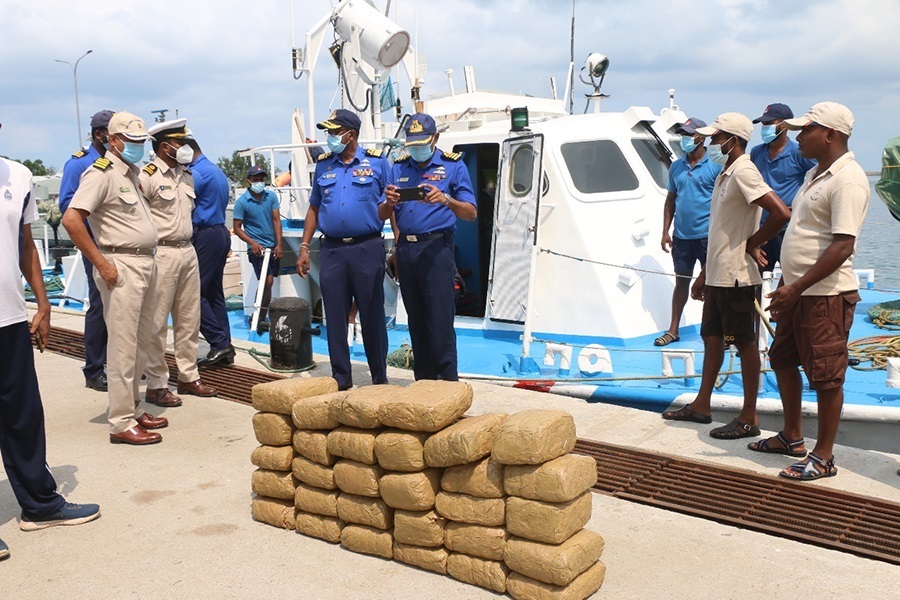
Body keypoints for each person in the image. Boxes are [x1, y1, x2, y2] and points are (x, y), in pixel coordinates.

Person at [750, 102, 869, 480]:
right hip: (799, 292)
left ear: (830, 134)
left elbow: (842, 246)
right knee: (783, 358)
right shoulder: (815, 174)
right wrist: (788, 286)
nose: (799, 137)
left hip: (825, 296)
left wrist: (797, 286)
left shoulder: (847, 179)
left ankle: (824, 456)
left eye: (807, 130)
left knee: (826, 375)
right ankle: (791, 436)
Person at [0, 147, 101, 561]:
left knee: (23, 415)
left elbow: (26, 244)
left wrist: (42, 304)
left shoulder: (19, 177)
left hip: (9, 317)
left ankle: (40, 505)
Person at [661, 113, 790, 439]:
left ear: (732, 140)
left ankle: (749, 417)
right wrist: (706, 273)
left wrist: (753, 242)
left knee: (745, 344)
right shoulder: (725, 173)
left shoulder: (744, 170)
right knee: (712, 337)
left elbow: (780, 212)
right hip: (719, 274)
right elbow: (721, 230)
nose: (713, 143)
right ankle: (702, 405)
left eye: (717, 138)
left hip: (737, 278)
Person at [62, 112, 167, 445]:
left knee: (140, 342)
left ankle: (133, 408)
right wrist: (102, 263)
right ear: (114, 141)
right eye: (134, 142)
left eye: (142, 142)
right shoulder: (101, 173)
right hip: (121, 264)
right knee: (122, 346)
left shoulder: (130, 173)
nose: (139, 148)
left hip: (143, 263)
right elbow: (72, 220)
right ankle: (121, 422)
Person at [296, 109, 389, 391]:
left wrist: (397, 243)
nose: (331, 138)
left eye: (335, 132)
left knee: (372, 315)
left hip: (368, 248)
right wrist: (303, 247)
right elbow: (314, 206)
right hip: (333, 251)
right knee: (334, 317)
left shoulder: (378, 164)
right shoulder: (324, 166)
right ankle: (341, 379)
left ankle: (379, 379)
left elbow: (390, 208)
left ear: (351, 134)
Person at [381, 113, 477, 381]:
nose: (417, 149)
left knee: (441, 322)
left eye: (422, 142)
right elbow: (384, 213)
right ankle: (424, 383)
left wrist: (446, 199)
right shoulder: (398, 167)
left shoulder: (453, 166)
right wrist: (389, 203)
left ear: (435, 138)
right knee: (416, 322)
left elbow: (470, 213)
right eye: (412, 144)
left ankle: (448, 385)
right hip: (407, 251)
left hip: (437, 249)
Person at [140, 119, 217, 406]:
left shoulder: (186, 176)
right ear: (165, 146)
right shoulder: (146, 176)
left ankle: (188, 376)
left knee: (188, 320)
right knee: (157, 322)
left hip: (188, 250)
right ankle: (157, 384)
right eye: (180, 143)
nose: (185, 148)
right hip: (161, 253)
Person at [58, 109, 115, 392]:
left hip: (122, 246)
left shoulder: (119, 164)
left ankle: (119, 364)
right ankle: (94, 368)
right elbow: (68, 208)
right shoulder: (79, 165)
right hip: (96, 246)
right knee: (99, 306)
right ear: (99, 135)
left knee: (123, 308)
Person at [656, 117, 721, 347]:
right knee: (681, 282)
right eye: (682, 134)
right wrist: (665, 231)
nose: (684, 138)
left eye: (689, 134)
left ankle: (713, 332)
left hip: (707, 237)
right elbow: (670, 200)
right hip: (681, 238)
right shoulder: (676, 166)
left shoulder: (715, 164)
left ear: (701, 137)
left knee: (712, 285)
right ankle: (673, 329)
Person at [750, 103, 817, 273]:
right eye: (763, 124)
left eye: (769, 123)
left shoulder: (798, 152)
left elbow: (818, 179)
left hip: (788, 229)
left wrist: (797, 206)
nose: (765, 128)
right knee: (756, 277)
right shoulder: (757, 152)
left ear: (784, 125)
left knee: (791, 275)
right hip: (762, 228)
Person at [186, 135, 234, 366]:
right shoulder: (215, 170)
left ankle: (219, 342)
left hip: (204, 234)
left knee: (193, 293)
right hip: (219, 232)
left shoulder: (196, 174)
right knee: (214, 293)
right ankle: (225, 345)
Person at [233, 164, 283, 333]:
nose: (259, 182)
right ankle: (257, 317)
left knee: (268, 283)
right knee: (266, 281)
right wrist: (252, 242)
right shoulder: (242, 202)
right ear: (249, 181)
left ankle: (259, 317)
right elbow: (237, 227)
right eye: (255, 179)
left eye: (261, 179)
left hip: (272, 246)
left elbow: (277, 220)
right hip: (256, 249)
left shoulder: (271, 197)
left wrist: (279, 243)